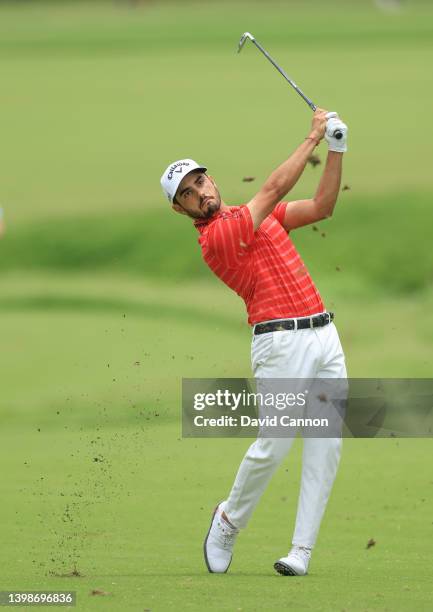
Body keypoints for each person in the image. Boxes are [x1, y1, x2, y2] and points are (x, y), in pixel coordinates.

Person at [160, 108, 348, 576]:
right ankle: (227, 521)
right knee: (275, 444)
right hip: (280, 344)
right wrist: (313, 138)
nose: (199, 193)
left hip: (325, 334)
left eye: (200, 182)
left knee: (327, 445)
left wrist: (338, 148)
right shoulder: (216, 236)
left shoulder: (254, 217)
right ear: (178, 209)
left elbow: (322, 206)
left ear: (211, 180)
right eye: (186, 193)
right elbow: (272, 189)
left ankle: (300, 551)